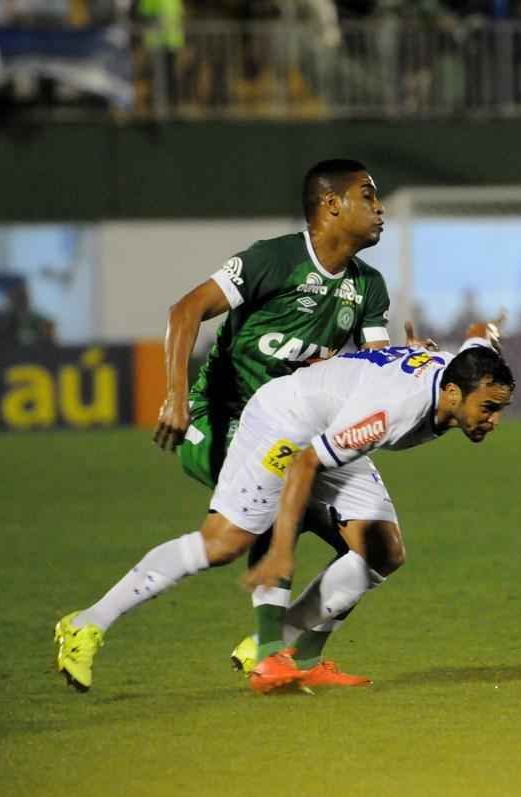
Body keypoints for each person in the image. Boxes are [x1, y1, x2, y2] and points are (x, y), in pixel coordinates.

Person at [55, 325, 514, 694]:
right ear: (452, 393)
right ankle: (87, 623)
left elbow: (477, 336)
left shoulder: (463, 370)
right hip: (285, 425)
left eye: (500, 410)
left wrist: (490, 329)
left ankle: (292, 651)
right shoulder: (393, 412)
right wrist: (280, 551)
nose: (494, 420)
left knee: (383, 550)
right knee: (223, 543)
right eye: (489, 408)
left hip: (331, 430)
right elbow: (305, 463)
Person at [153, 157, 398, 679]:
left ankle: (301, 654)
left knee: (380, 548)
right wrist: (174, 397)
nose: (380, 209)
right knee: (279, 480)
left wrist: (406, 366)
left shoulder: (368, 287)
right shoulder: (274, 260)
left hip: (301, 425)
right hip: (220, 417)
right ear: (332, 205)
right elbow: (185, 310)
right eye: (368, 196)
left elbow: (376, 370)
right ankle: (269, 655)